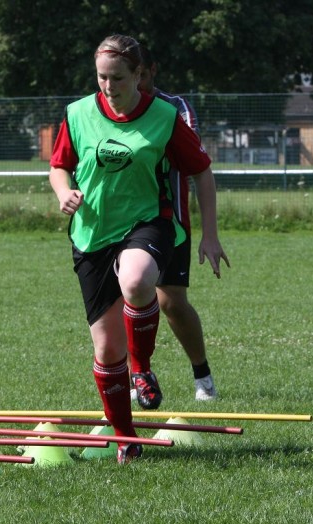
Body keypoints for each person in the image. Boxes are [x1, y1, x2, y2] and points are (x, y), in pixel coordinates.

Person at [49, 35, 228, 463]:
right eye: (101, 77)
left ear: (139, 75)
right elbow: (59, 165)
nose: (108, 86)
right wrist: (63, 193)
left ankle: (142, 368)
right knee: (107, 350)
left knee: (137, 280)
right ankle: (127, 439)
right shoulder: (77, 113)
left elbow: (202, 172)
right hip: (91, 234)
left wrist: (210, 234)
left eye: (118, 78)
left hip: (147, 222)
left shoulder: (164, 116)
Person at [137, 45, 228, 401]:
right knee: (124, 299)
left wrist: (210, 235)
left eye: (141, 74)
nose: (135, 83)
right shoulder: (102, 109)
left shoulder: (176, 109)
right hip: (120, 223)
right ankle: (137, 376)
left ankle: (202, 376)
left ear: (152, 70)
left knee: (171, 302)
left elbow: (195, 163)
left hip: (169, 222)